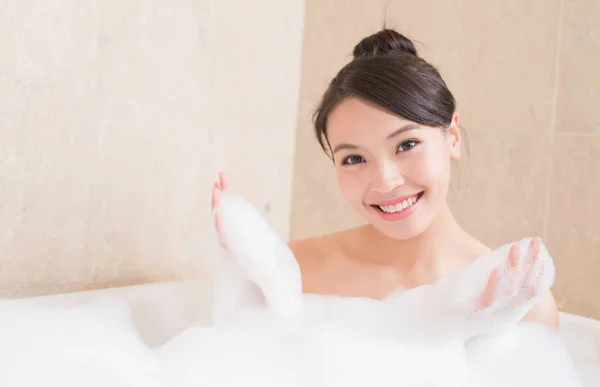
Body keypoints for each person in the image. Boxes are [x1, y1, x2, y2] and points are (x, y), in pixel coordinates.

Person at [211, 28, 559, 331]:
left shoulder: (516, 302)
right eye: (355, 158)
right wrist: (239, 277)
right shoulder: (295, 273)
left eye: (406, 145)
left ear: (452, 136)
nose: (385, 181)